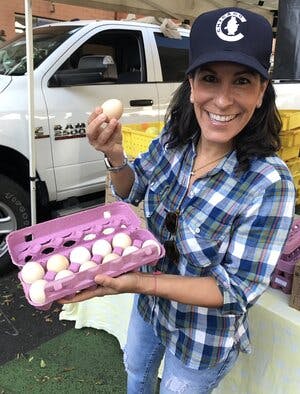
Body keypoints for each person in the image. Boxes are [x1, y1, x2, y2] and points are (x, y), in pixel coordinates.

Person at [60, 7, 296, 394]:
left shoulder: (269, 182)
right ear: (191, 84)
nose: (222, 100)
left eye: (241, 81)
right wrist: (116, 157)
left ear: (261, 92)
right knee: (136, 372)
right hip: (149, 309)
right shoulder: (175, 141)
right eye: (209, 79)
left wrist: (140, 281)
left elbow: (234, 290)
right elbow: (131, 189)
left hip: (202, 338)